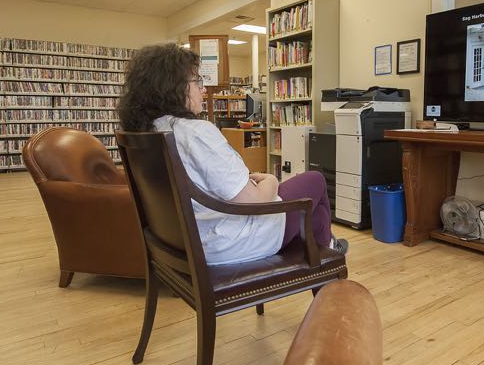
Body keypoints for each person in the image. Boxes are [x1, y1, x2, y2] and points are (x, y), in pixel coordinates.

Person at [118, 43, 349, 266]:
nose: (203, 89)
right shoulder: (195, 133)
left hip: (183, 240)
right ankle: (330, 256)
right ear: (171, 87)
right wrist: (271, 180)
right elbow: (254, 202)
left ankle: (329, 250)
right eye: (197, 81)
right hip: (229, 241)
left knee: (316, 219)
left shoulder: (151, 130)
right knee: (315, 180)